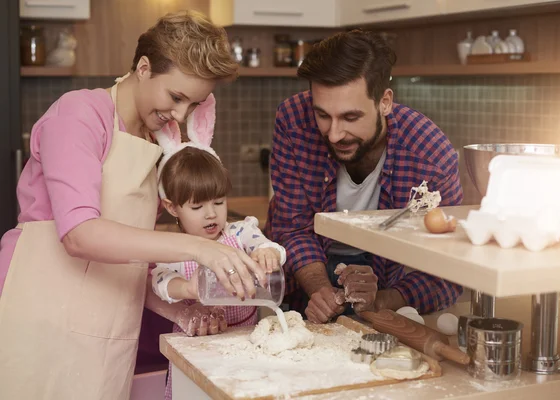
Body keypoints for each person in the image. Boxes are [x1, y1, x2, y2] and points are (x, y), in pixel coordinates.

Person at [0, 10, 265, 400]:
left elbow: (131, 255)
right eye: (175, 97)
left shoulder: (162, 144)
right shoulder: (79, 115)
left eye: (193, 104)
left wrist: (178, 311)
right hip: (40, 310)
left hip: (108, 321)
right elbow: (80, 235)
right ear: (143, 67)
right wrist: (199, 247)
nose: (179, 115)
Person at [265, 29, 464, 324]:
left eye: (350, 117)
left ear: (384, 102)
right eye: (322, 115)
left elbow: (448, 272)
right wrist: (320, 289)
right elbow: (291, 228)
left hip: (386, 286)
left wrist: (384, 298)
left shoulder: (429, 154)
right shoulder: (293, 121)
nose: (333, 134)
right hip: (303, 275)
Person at [148, 110, 286, 400]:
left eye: (219, 202)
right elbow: (159, 282)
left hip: (244, 342)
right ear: (173, 208)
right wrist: (187, 288)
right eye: (197, 207)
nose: (211, 214)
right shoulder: (173, 248)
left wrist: (268, 254)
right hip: (196, 348)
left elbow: (268, 246)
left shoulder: (239, 234)